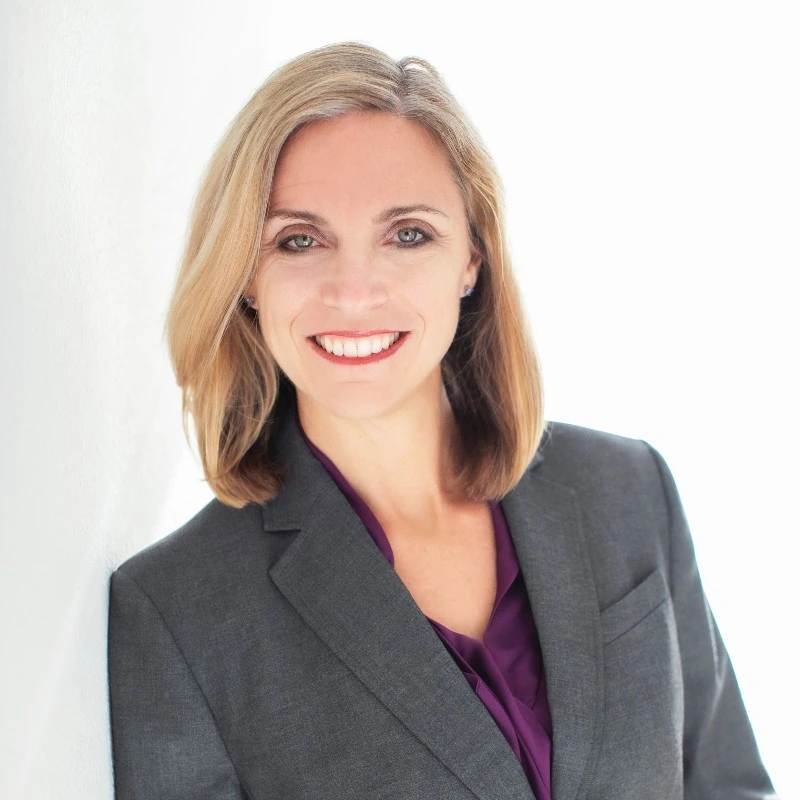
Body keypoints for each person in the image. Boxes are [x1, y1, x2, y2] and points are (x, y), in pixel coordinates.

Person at [106, 42, 775, 800]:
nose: (354, 291)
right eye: (299, 240)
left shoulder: (627, 491)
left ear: (471, 259)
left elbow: (726, 786)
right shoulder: (178, 614)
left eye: (408, 234)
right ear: (246, 277)